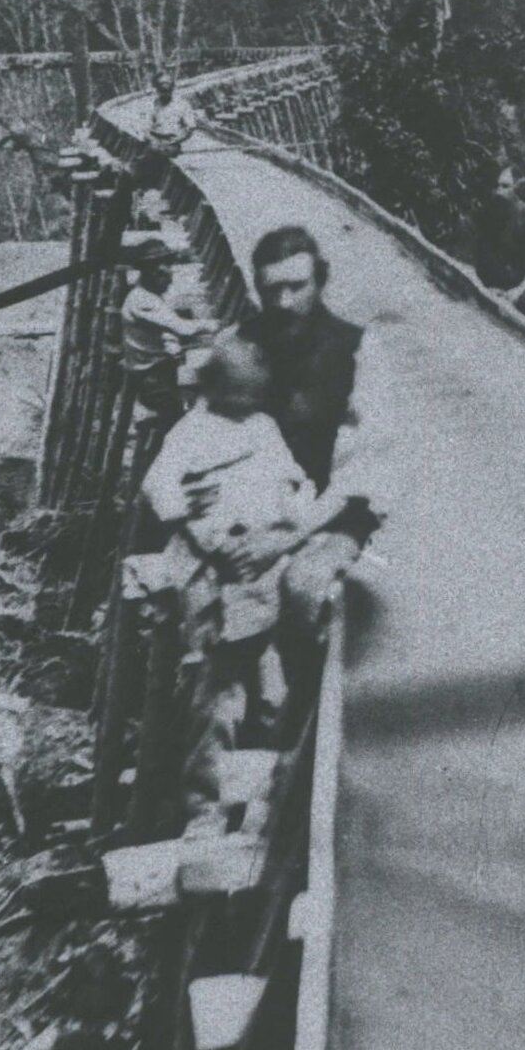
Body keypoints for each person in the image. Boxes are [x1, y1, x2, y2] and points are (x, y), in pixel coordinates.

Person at [134, 335, 318, 804]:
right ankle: (204, 800)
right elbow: (158, 490)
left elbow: (295, 482)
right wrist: (186, 506)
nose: (243, 407)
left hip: (265, 573)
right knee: (217, 696)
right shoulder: (191, 432)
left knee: (272, 688)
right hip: (212, 576)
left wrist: (296, 511)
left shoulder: (262, 427)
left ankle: (265, 790)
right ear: (212, 390)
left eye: (251, 397)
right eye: (234, 398)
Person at [238, 224, 380, 679]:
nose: (283, 303)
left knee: (301, 585)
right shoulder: (241, 344)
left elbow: (360, 475)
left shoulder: (356, 350)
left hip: (330, 516)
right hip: (256, 511)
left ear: (320, 280)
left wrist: (288, 536)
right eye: (270, 290)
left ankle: (295, 713)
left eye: (296, 287)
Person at [118, 236, 215, 434]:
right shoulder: (142, 300)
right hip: (151, 378)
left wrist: (170, 341)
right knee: (180, 425)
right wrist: (213, 324)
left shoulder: (148, 296)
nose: (169, 283)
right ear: (155, 272)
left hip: (156, 370)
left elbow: (162, 329)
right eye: (166, 275)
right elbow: (182, 328)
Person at [470, 162, 525, 320]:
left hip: (522, 289)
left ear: (517, 188)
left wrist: (518, 291)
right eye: (497, 186)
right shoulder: (487, 215)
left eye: (505, 186)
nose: (499, 192)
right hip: (493, 288)